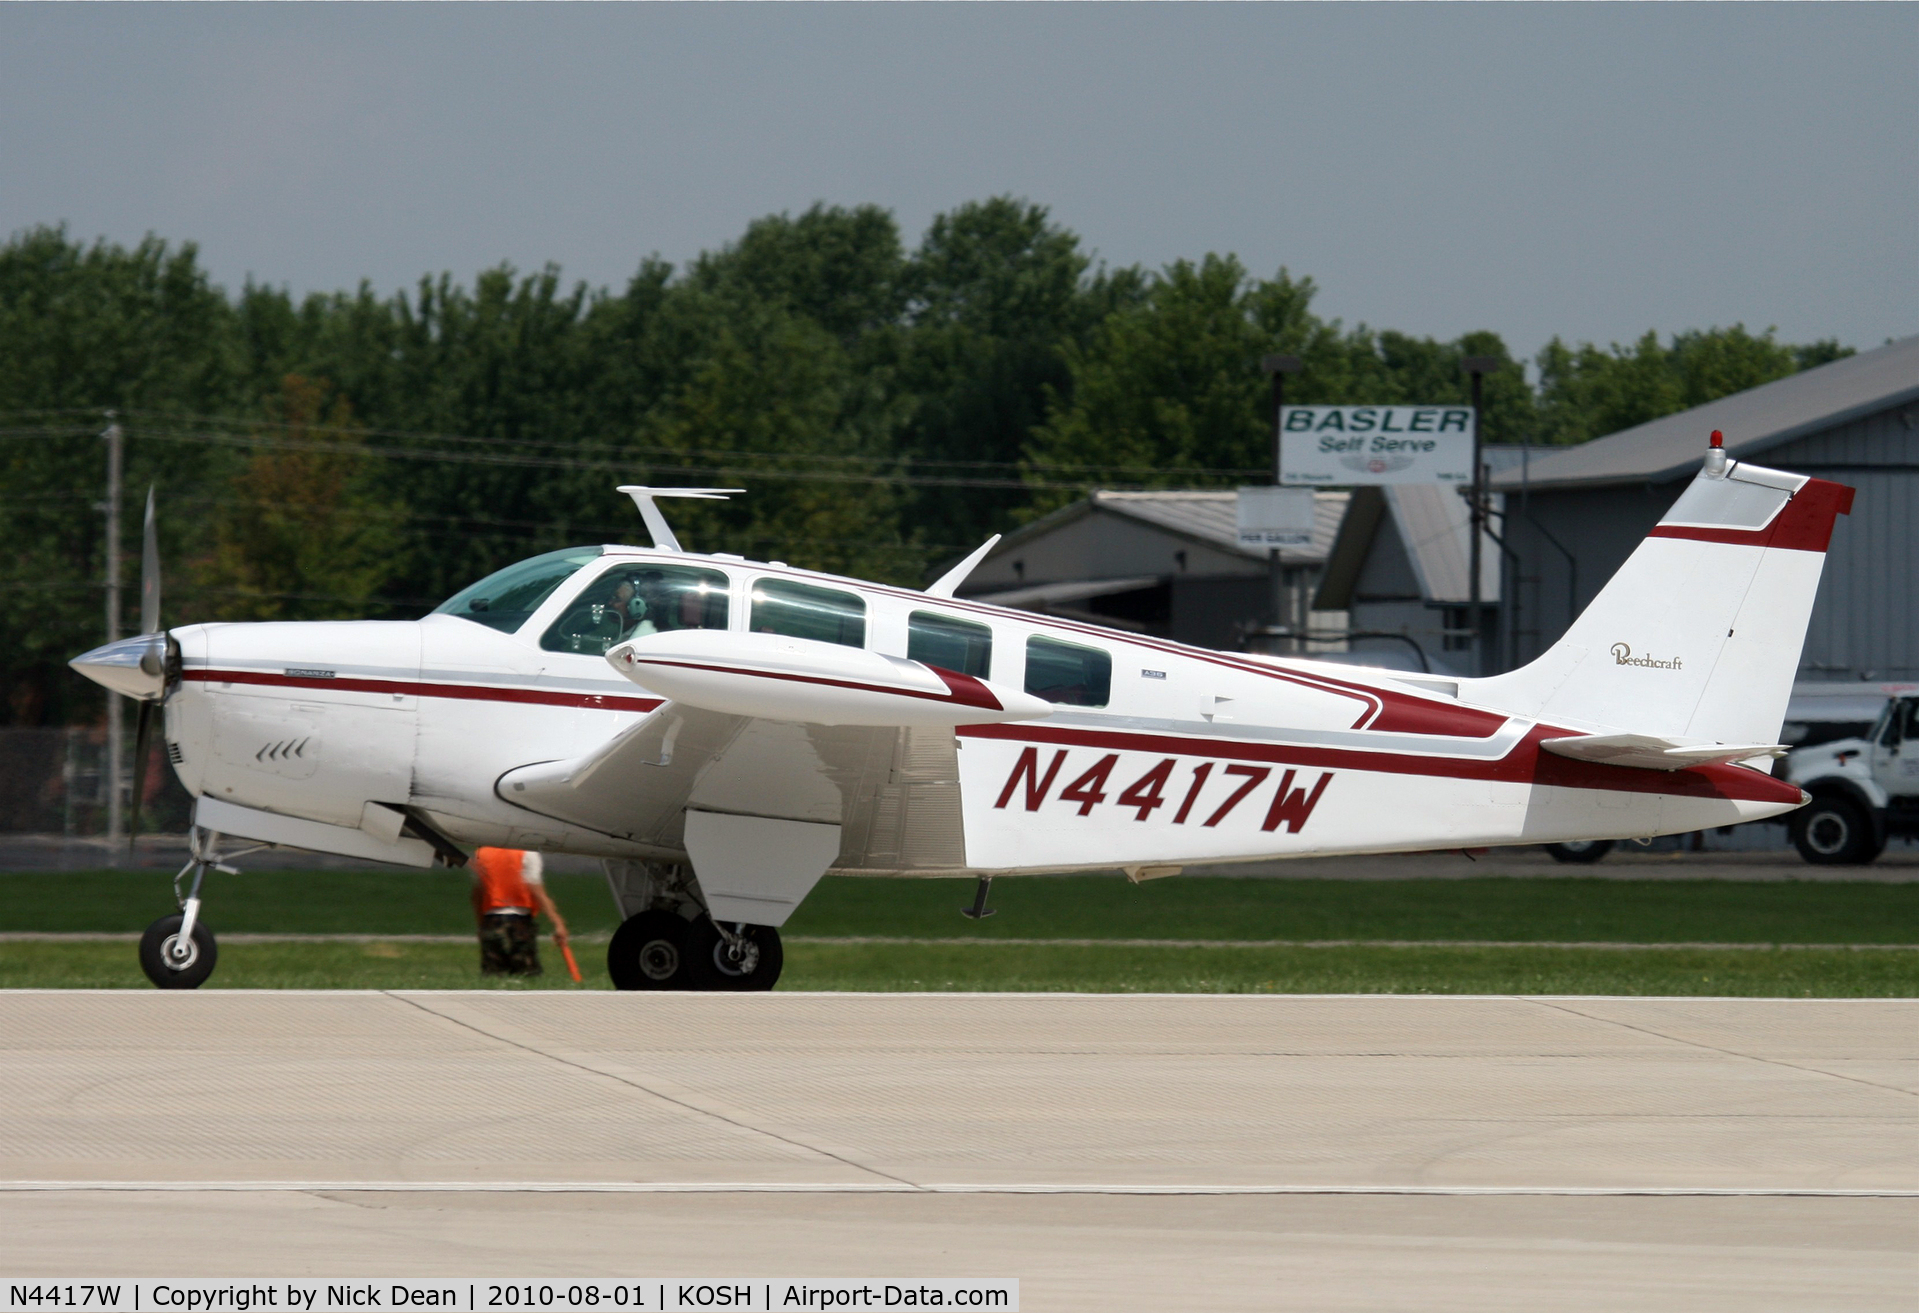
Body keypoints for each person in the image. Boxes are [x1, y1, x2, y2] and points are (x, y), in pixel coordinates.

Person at [470, 845, 569, 976]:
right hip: (519, 922)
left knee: (493, 976)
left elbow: (477, 894)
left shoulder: (482, 853)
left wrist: (481, 924)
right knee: (526, 975)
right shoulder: (526, 853)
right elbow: (536, 891)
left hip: (491, 920)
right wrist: (557, 922)